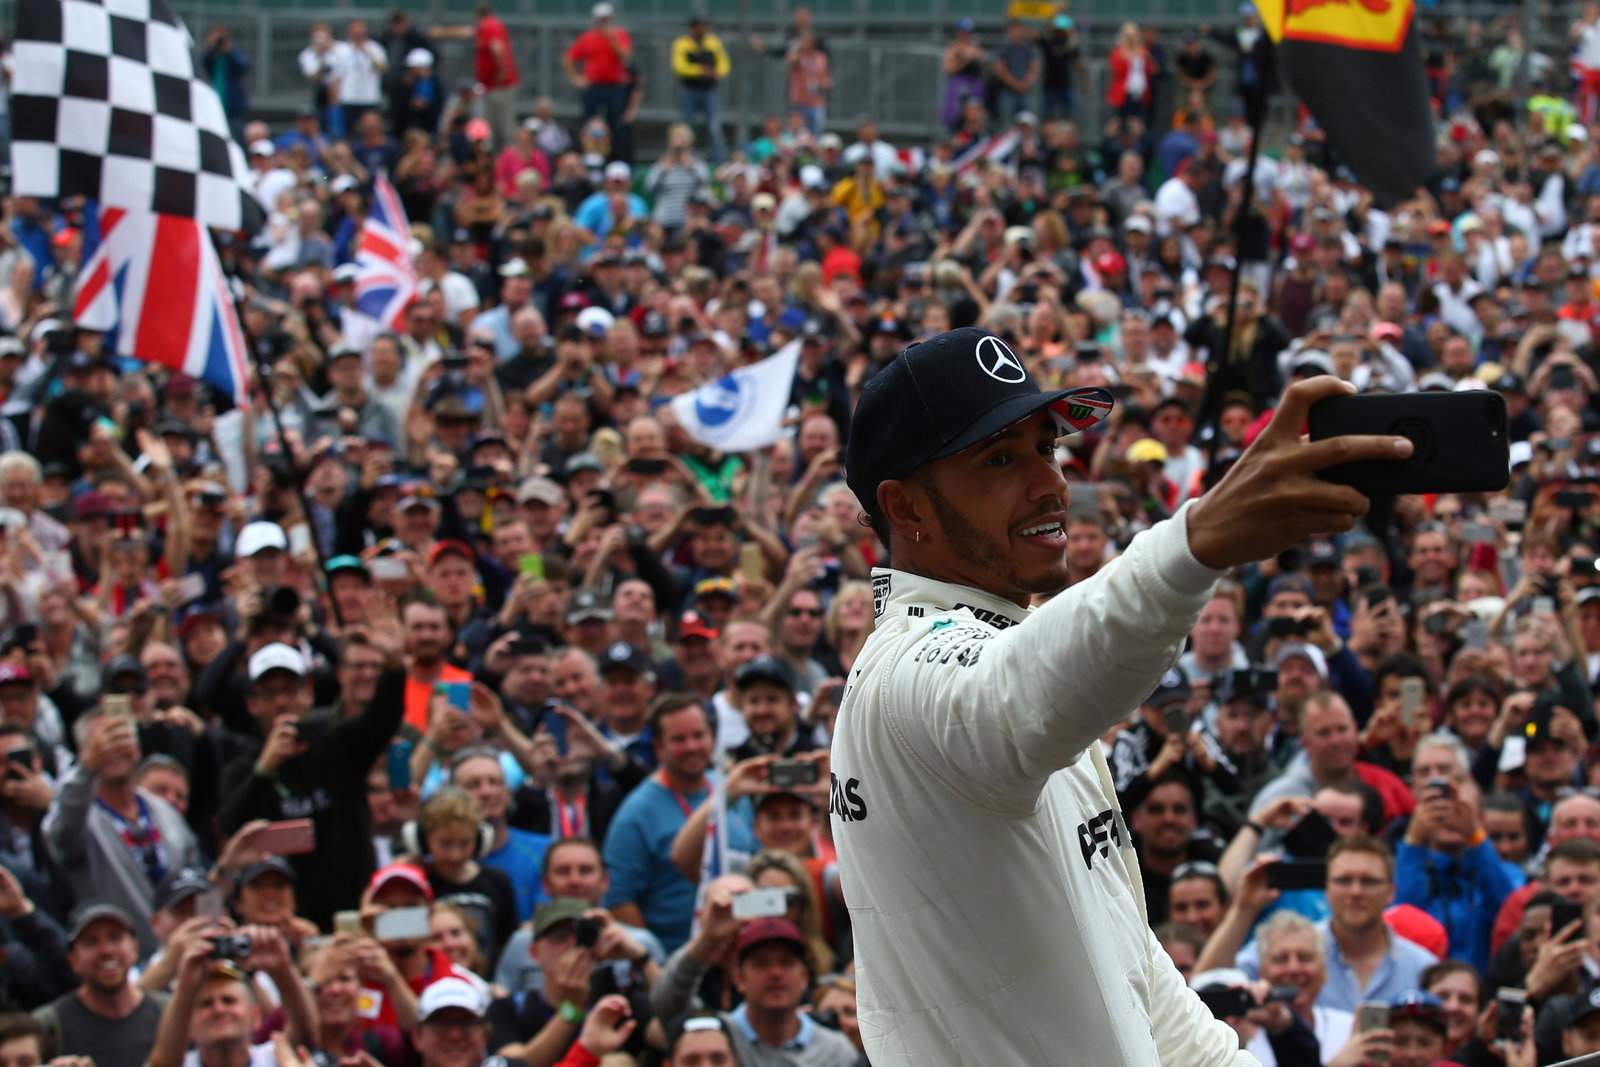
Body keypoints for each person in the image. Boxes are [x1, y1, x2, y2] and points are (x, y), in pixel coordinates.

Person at [833, 326, 1415, 1065]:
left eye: (1046, 448)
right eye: (1000, 459)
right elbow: (1016, 692)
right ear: (905, 508)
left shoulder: (997, 652)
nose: (1050, 482)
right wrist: (1198, 540)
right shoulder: (903, 673)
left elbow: (1132, 973)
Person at [33, 903, 166, 1067]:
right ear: (73, 959)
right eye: (91, 942)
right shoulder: (49, 1026)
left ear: (134, 946)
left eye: (115, 937)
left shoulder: (169, 1011)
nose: (106, 950)